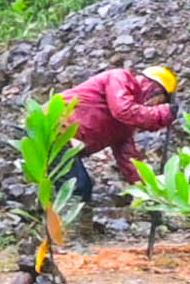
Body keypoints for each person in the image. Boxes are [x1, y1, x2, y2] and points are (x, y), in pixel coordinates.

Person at [54, 64, 181, 217]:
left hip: (65, 142)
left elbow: (128, 159)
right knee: (77, 186)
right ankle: (70, 233)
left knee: (82, 187)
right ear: (153, 89)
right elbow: (123, 110)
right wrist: (162, 113)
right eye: (159, 101)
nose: (154, 106)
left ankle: (75, 231)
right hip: (52, 130)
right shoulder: (120, 78)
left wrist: (148, 191)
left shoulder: (126, 125)